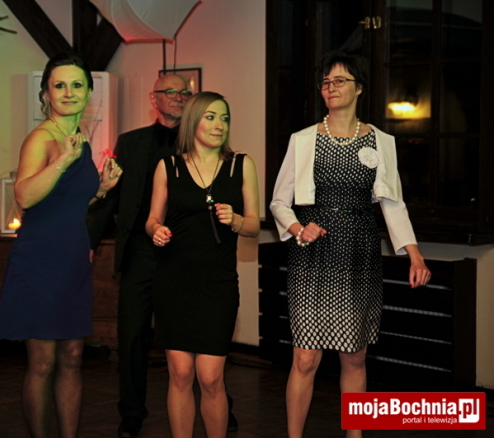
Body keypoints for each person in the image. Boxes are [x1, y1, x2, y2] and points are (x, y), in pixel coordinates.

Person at [269, 51, 431, 438]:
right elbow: (278, 202)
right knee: (305, 357)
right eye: (326, 82)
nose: (331, 87)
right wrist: (298, 228)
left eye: (339, 80)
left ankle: (354, 435)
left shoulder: (381, 141)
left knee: (354, 355)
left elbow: (393, 204)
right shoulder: (303, 140)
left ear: (359, 88)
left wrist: (414, 254)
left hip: (359, 251)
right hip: (313, 253)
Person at [87, 75, 238, 437]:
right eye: (170, 91)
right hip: (142, 252)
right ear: (153, 98)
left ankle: (221, 406)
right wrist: (88, 242)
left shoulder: (205, 141)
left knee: (205, 342)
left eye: (185, 92)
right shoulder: (130, 142)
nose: (178, 97)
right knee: (132, 335)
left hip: (188, 256)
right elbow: (112, 196)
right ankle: (131, 412)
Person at [0, 52, 122, 438]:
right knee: (43, 362)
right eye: (59, 85)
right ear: (46, 94)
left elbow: (65, 202)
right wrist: (62, 161)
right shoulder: (42, 139)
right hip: (40, 259)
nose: (69, 92)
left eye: (77, 85)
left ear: (88, 93)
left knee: (73, 357)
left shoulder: (78, 140)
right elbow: (25, 196)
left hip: (72, 260)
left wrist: (100, 189)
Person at [146, 92, 260, 438]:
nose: (219, 125)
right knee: (180, 374)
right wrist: (156, 231)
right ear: (194, 121)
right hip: (174, 283)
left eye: (224, 118)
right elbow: (152, 219)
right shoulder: (168, 166)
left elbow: (254, 225)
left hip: (217, 285)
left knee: (211, 378)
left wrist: (236, 220)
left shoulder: (242, 165)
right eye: (211, 117)